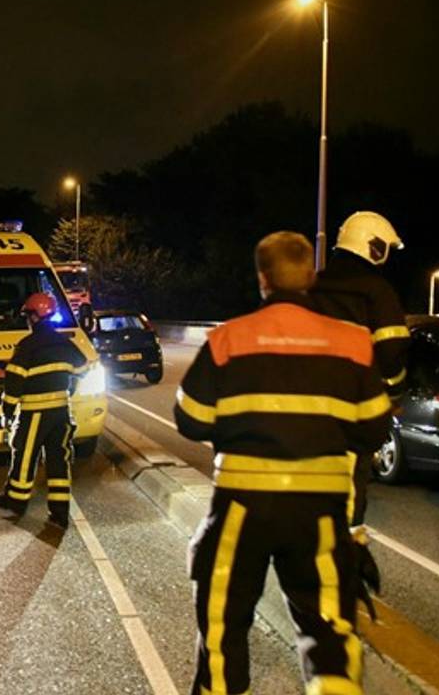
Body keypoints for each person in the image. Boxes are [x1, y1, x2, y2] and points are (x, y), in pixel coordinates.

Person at [175, 232, 390, 695]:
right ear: (311, 277)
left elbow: (190, 419)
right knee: (330, 629)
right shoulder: (353, 342)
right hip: (320, 514)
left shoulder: (228, 339)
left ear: (262, 279)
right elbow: (374, 427)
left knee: (223, 623)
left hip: (240, 510)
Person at [310, 210, 410, 613]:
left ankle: (313, 573)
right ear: (375, 246)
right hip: (353, 414)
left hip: (307, 414)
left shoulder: (311, 286)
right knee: (350, 496)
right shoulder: (376, 290)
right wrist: (394, 390)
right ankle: (344, 581)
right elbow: (392, 351)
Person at [0, 292, 88, 529]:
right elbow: (83, 368)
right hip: (62, 412)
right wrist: (67, 386)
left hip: (34, 412)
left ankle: (16, 501)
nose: (27, 320)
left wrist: (7, 410)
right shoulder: (66, 344)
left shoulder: (27, 347)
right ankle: (60, 512)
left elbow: (13, 382)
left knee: (25, 455)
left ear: (34, 317)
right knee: (59, 459)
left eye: (28, 315)